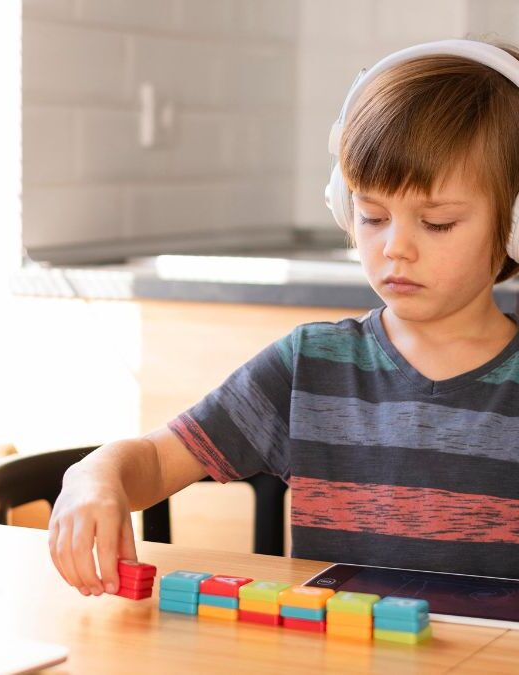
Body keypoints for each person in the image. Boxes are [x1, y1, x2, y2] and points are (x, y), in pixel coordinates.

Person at [48, 38, 519, 597]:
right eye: (371, 216)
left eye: (437, 222)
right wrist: (93, 478)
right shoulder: (310, 366)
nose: (396, 248)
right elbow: (154, 459)